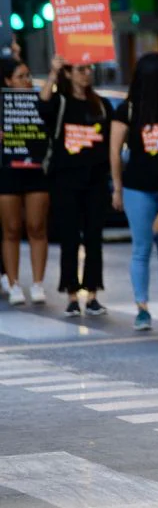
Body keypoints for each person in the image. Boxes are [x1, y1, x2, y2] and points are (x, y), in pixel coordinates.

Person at [109, 53, 158, 333]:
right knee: (142, 249)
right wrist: (117, 188)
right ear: (154, 73)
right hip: (137, 189)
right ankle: (141, 309)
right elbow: (115, 152)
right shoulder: (128, 110)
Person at [41, 57, 111, 318]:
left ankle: (92, 293)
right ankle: (72, 294)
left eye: (89, 69)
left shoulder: (100, 105)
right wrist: (53, 72)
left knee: (94, 238)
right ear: (69, 74)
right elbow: (43, 105)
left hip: (95, 181)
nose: (86, 74)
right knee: (70, 238)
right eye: (80, 70)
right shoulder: (60, 103)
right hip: (66, 181)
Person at [0, 55, 50, 307]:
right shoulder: (2, 105)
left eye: (29, 76)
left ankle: (38, 283)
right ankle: (13, 283)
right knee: (10, 229)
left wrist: (53, 74)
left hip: (36, 169)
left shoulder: (39, 100)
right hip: (7, 171)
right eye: (21, 77)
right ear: (7, 80)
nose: (28, 81)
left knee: (36, 226)